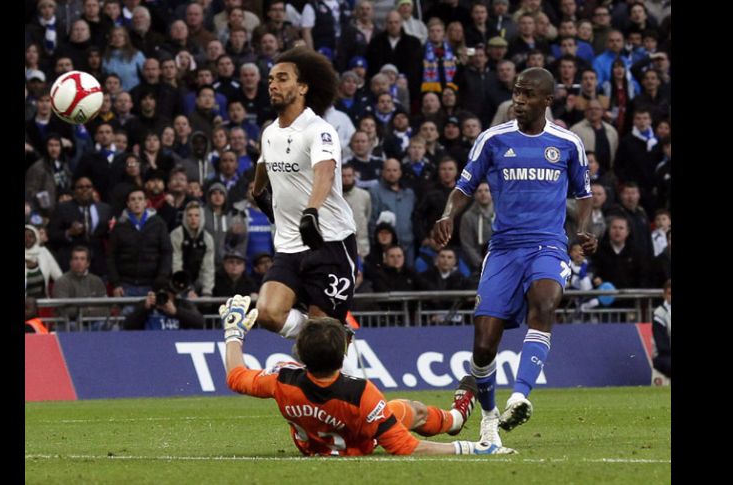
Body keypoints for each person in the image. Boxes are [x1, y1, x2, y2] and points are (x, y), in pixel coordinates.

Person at [433, 67, 597, 446]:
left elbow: (584, 194)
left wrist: (585, 229)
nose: (518, 101)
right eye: (515, 93)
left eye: (526, 95)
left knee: (544, 301)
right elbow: (464, 186)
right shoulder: (492, 140)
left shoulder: (567, 143)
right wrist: (446, 213)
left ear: (547, 101)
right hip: (504, 249)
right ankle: (489, 416)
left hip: (548, 245)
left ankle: (520, 394)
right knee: (484, 344)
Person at [220, 296, 516, 456]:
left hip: (310, 446)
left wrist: (234, 331)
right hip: (357, 447)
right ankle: (457, 419)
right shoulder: (361, 392)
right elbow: (405, 447)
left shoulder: (282, 379)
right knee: (413, 409)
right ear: (342, 355)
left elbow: (236, 377)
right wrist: (471, 449)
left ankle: (456, 419)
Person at [250, 47, 357, 342]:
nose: (273, 84)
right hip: (288, 246)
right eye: (271, 79)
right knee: (268, 312)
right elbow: (263, 164)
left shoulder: (319, 130)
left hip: (329, 241)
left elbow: (324, 171)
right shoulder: (270, 132)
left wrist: (311, 211)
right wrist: (258, 191)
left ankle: (326, 337)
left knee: (319, 348)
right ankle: (331, 335)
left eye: (282, 78)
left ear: (303, 87)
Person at [52, 245, 110, 330]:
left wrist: (80, 310)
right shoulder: (62, 282)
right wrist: (89, 309)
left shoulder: (97, 281)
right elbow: (64, 311)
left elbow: (105, 309)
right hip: (70, 324)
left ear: (88, 263)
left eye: (82, 259)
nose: (79, 262)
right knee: (72, 327)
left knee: (111, 326)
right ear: (70, 262)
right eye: (76, 259)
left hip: (94, 323)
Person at [122, 271, 206, 330]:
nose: (164, 299)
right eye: (161, 295)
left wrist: (176, 312)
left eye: (168, 296)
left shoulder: (182, 305)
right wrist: (144, 309)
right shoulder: (146, 305)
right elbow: (127, 325)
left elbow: (200, 322)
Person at [651, 279, 671, 378]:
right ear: (664, 295)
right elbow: (662, 345)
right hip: (663, 356)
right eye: (670, 293)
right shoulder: (659, 314)